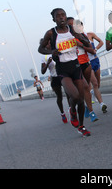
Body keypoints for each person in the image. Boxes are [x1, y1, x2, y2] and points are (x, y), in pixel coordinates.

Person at [38, 8, 92, 137]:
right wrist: (52, 52)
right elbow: (40, 49)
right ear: (54, 19)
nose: (61, 18)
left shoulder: (72, 30)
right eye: (58, 16)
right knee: (75, 96)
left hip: (76, 66)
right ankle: (72, 111)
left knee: (81, 99)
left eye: (63, 15)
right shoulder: (51, 33)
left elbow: (87, 43)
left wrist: (80, 37)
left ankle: (81, 126)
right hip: (62, 69)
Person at [74, 20, 108, 121]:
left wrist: (96, 49)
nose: (79, 28)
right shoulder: (75, 39)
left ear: (82, 26)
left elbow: (101, 42)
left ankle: (93, 100)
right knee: (90, 84)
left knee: (97, 84)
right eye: (76, 27)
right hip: (85, 63)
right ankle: (100, 104)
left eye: (80, 26)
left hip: (94, 60)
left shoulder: (89, 35)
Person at [40, 38, 68, 123]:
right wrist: (48, 63)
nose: (48, 45)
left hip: (63, 75)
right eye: (45, 44)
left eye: (48, 43)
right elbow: (43, 71)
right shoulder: (44, 56)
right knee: (59, 96)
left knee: (69, 93)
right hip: (55, 78)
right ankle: (62, 113)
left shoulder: (56, 50)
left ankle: (71, 109)